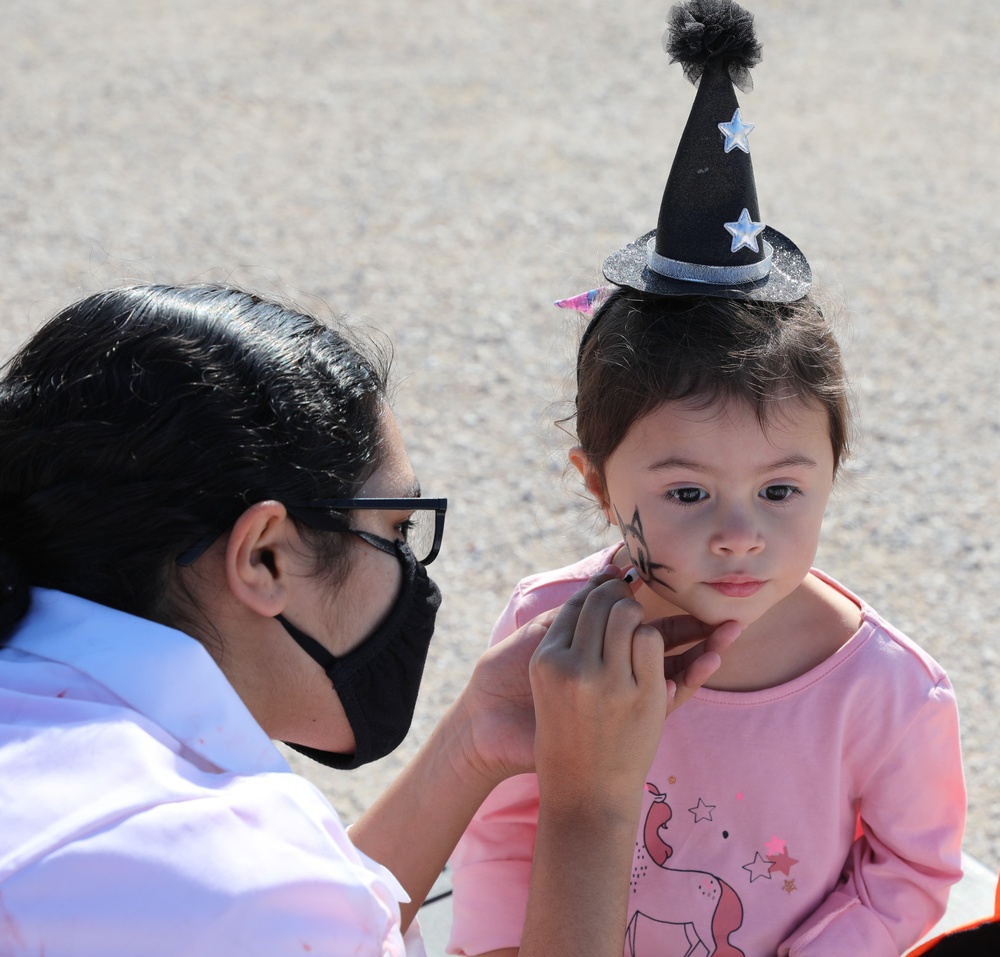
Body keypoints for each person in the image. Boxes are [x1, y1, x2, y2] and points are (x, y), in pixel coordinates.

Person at [0, 282, 740, 956]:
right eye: (393, 532)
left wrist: (473, 739)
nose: (412, 574)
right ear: (264, 557)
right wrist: (592, 802)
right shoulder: (228, 884)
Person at [448, 3, 965, 956]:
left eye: (781, 489)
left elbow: (913, 869)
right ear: (598, 485)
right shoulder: (552, 633)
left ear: (832, 472)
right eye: (686, 492)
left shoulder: (887, 689)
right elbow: (506, 825)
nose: (740, 532)